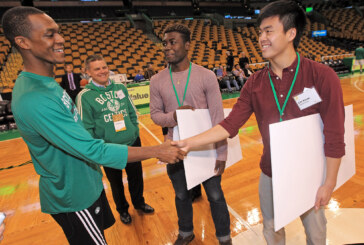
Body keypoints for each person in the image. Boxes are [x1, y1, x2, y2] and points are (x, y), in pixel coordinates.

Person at [2, 6, 184, 245]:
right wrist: (157, 150)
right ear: (23, 42)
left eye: (58, 32)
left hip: (88, 184)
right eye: (49, 34)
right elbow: (92, 149)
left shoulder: (46, 84)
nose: (61, 39)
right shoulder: (34, 97)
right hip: (74, 197)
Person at [173, 1, 345, 245]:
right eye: (260, 32)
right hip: (271, 173)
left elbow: (335, 135)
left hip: (311, 172)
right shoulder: (254, 83)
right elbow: (229, 125)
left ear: (291, 33)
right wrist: (188, 143)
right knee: (271, 229)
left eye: (269, 31)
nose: (261, 38)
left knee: (316, 234)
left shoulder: (322, 76)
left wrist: (329, 182)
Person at [150, 24, 231, 245]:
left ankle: (224, 237)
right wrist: (174, 117)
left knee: (215, 196)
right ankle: (186, 232)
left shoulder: (206, 76)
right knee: (181, 195)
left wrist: (221, 154)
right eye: (164, 43)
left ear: (187, 45)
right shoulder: (156, 80)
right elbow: (156, 115)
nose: (167, 47)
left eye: (172, 42)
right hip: (174, 149)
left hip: (206, 149)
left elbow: (218, 119)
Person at [76, 55, 154, 225]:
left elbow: (132, 112)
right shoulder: (85, 96)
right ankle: (123, 210)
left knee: (136, 177)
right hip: (109, 149)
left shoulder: (120, 88)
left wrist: (134, 129)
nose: (102, 71)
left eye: (104, 67)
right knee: (116, 183)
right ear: (88, 72)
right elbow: (86, 128)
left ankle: (139, 203)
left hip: (132, 142)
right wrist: (99, 148)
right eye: (97, 69)